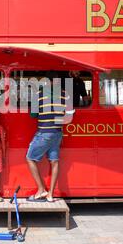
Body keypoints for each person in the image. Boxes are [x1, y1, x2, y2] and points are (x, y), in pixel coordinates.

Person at [26, 71, 74, 203]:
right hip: (57, 133)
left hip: (44, 133)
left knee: (30, 158)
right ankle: (50, 195)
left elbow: (33, 115)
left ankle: (41, 189)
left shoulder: (39, 94)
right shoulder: (65, 94)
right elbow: (69, 116)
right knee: (54, 162)